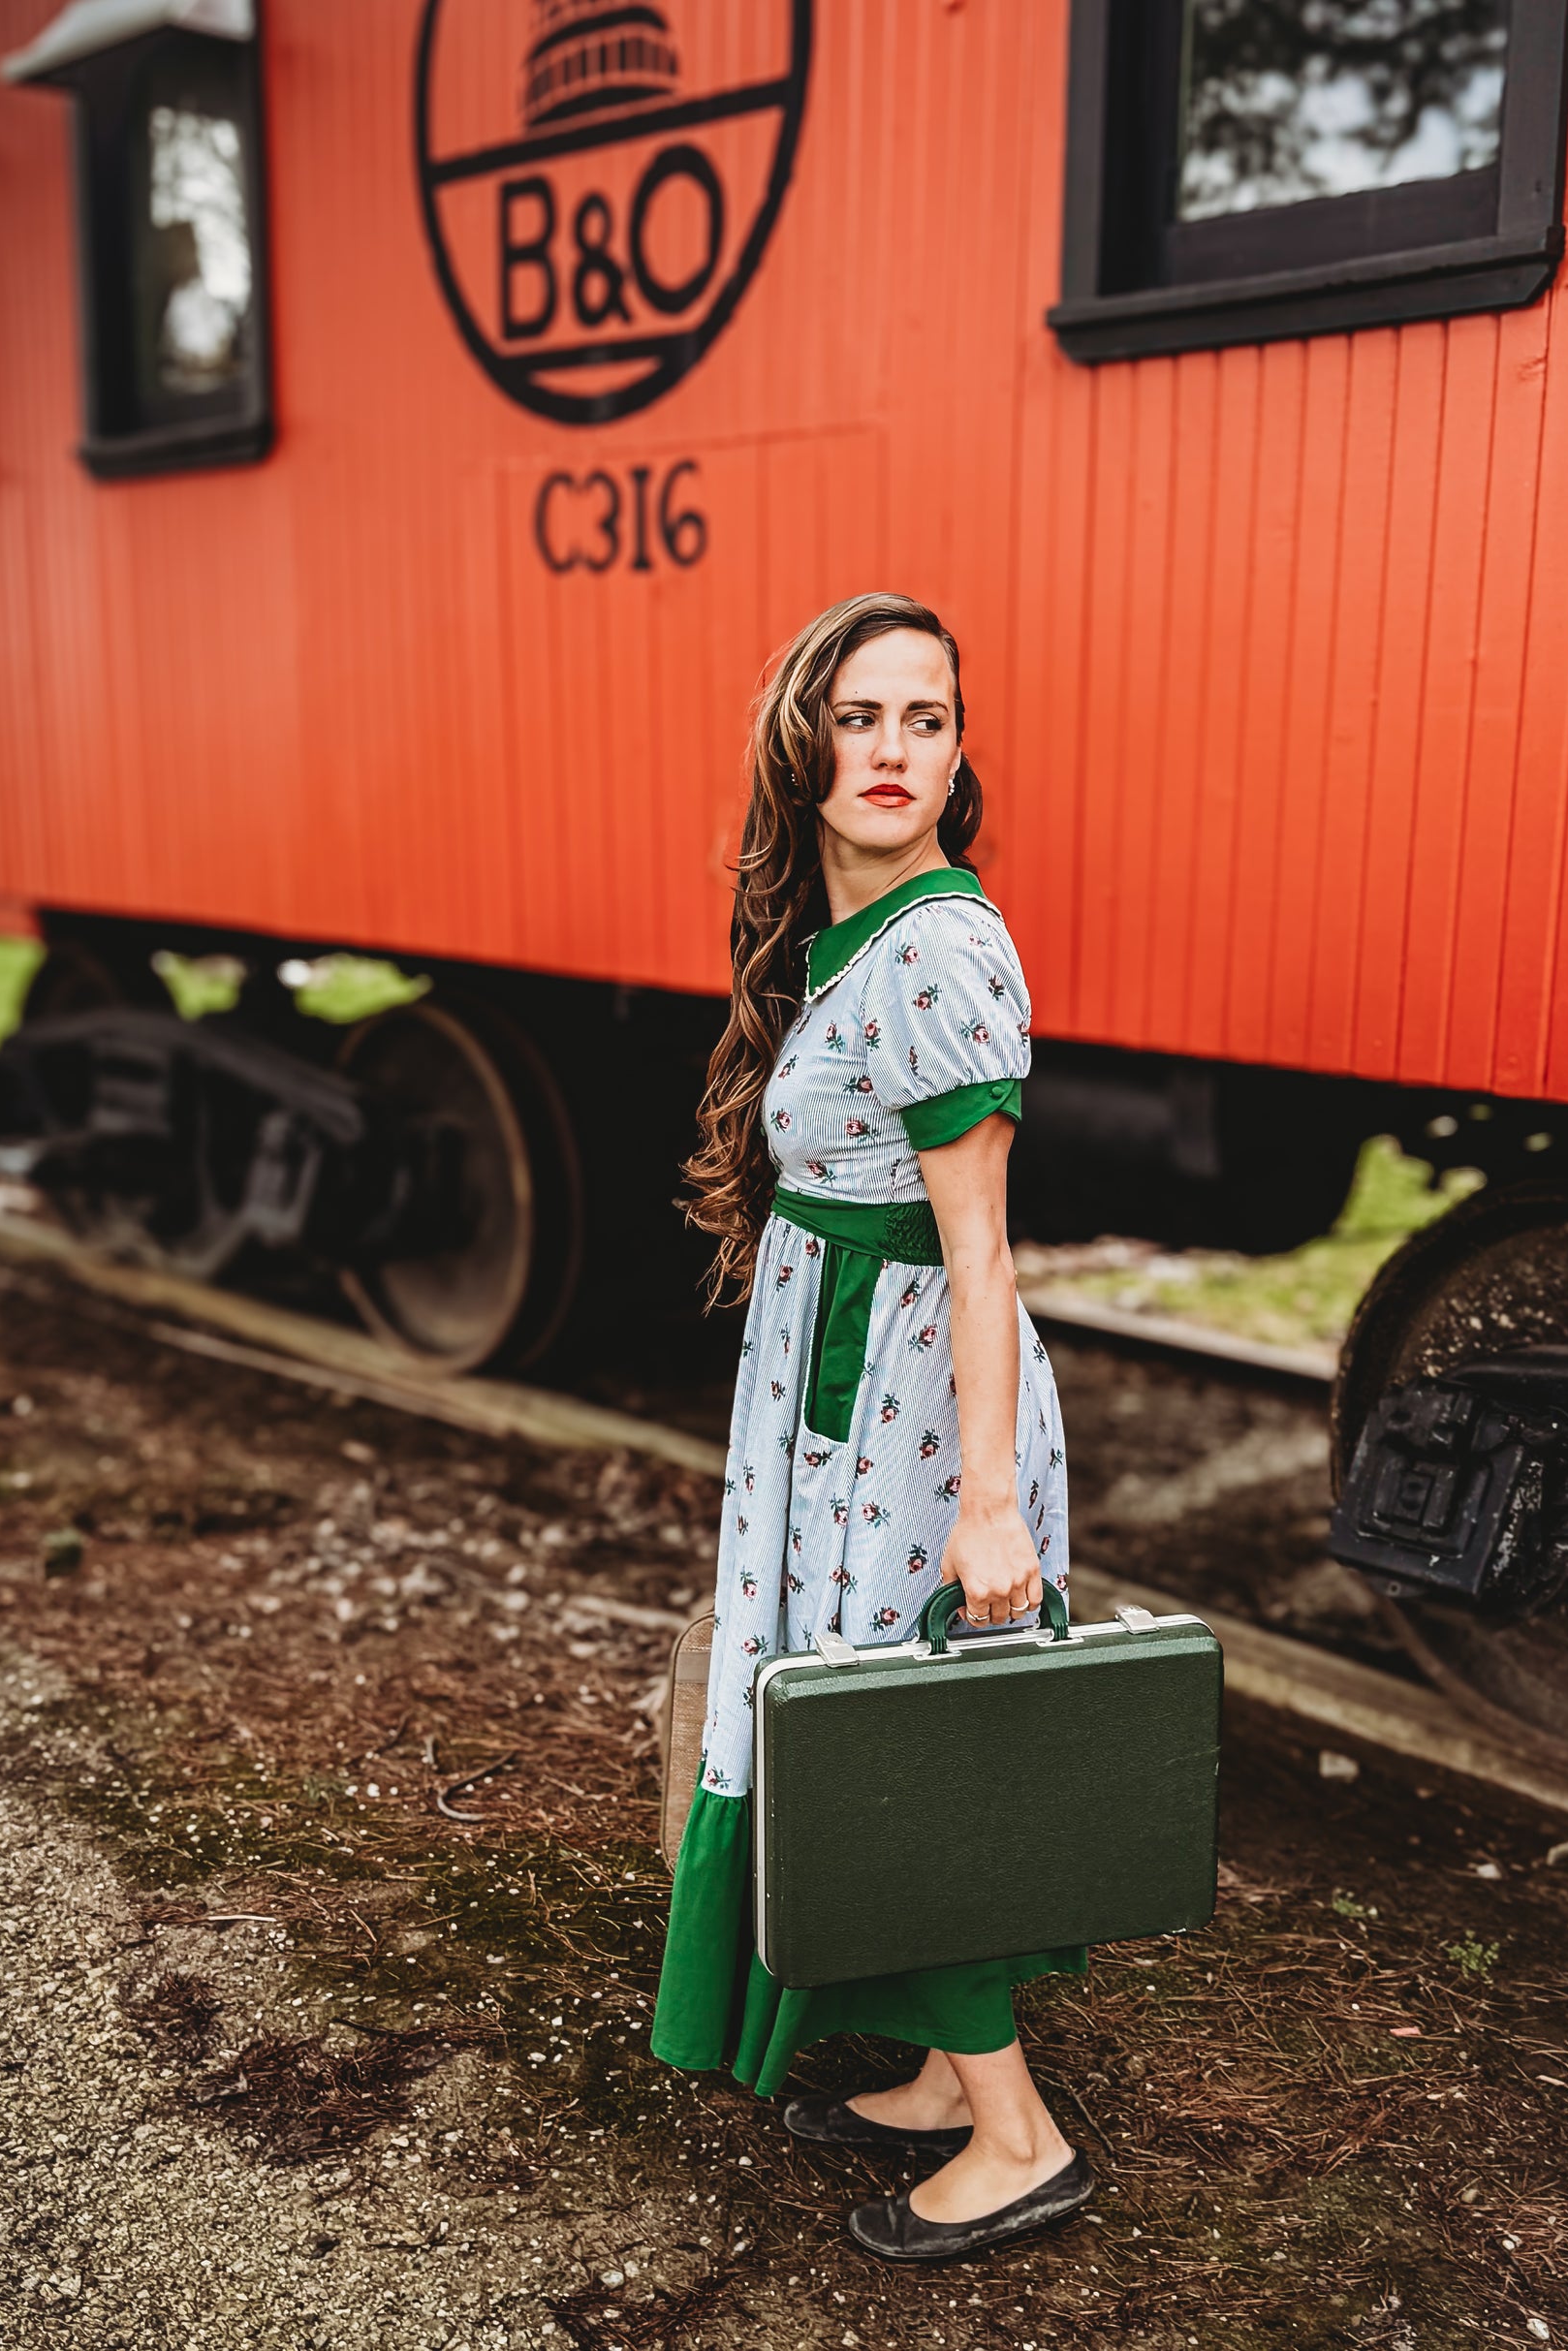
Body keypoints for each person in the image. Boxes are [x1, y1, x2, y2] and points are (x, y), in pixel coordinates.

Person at [648, 591, 1092, 2261]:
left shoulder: (938, 948)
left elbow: (979, 1253)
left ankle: (1020, 2137)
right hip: (838, 1388)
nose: (894, 749)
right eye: (859, 716)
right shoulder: (854, 936)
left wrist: (988, 1503)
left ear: (959, 753)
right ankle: (936, 2068)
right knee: (858, 1704)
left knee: (902, 1733)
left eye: (926, 717)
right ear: (804, 747)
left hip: (906, 1399)